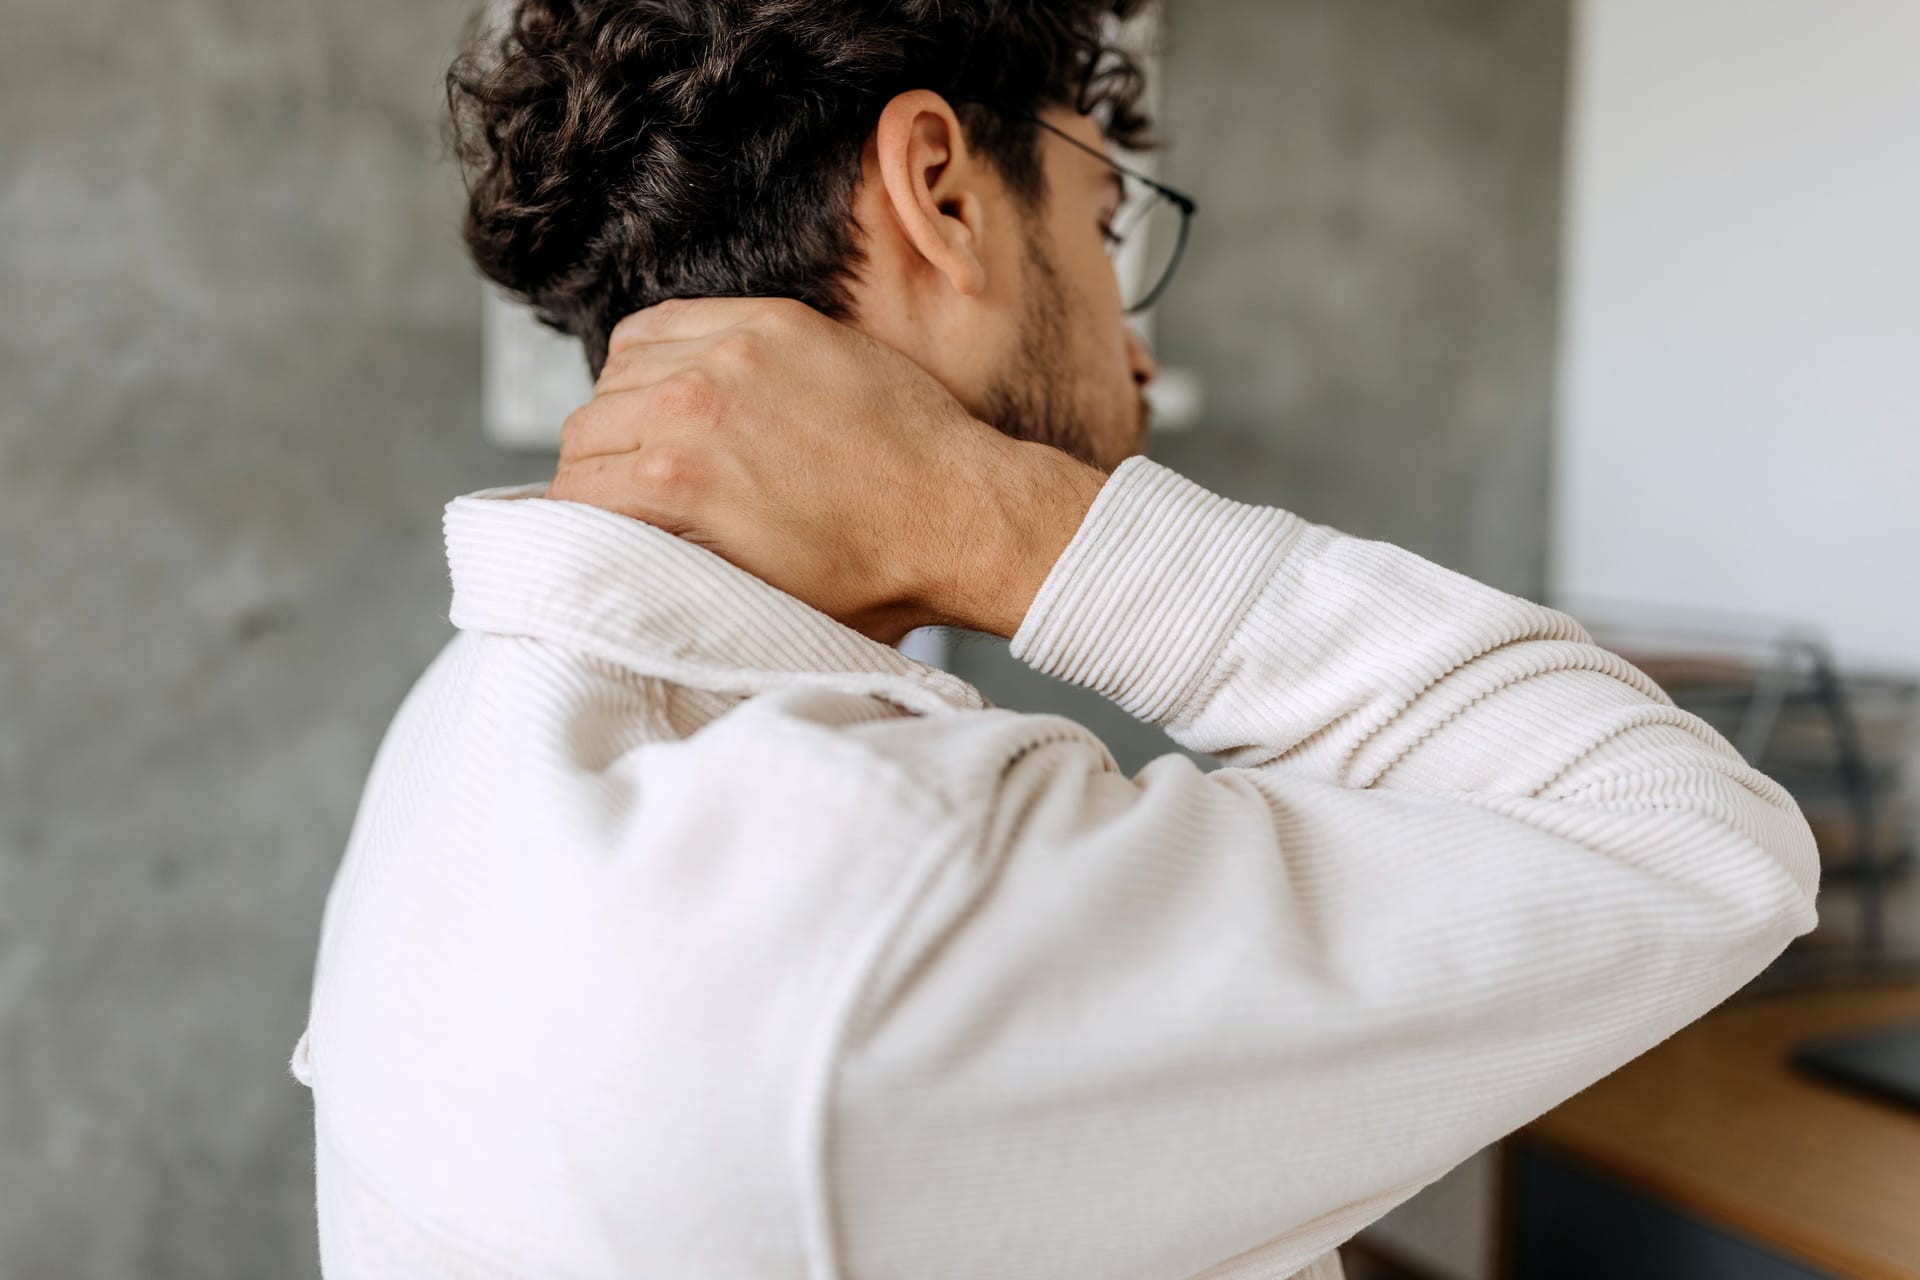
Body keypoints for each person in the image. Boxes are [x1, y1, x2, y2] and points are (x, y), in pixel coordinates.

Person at [291, 2, 1821, 1278]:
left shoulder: (475, 720)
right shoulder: (879, 882)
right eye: (1105, 226)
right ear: (942, 191)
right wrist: (998, 517)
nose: (1135, 349)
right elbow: (1694, 834)